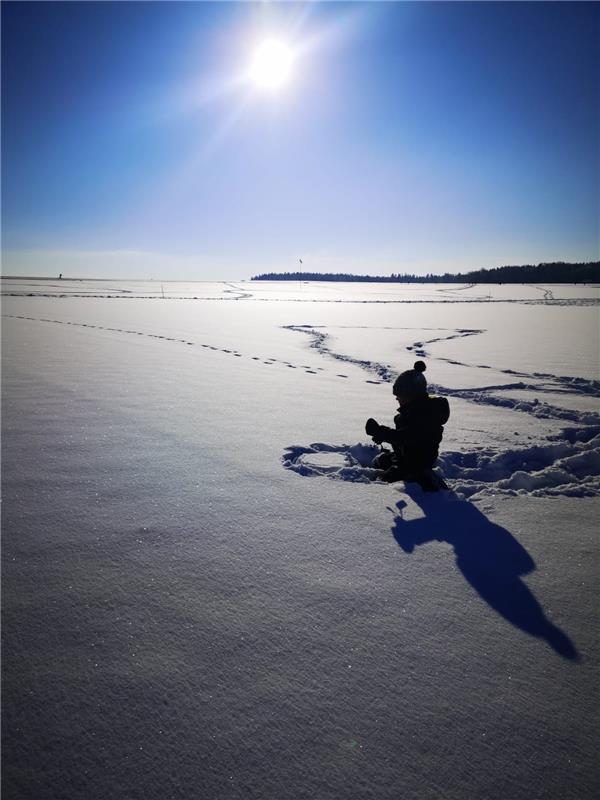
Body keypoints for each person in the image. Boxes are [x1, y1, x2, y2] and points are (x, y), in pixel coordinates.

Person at [365, 360, 450, 490]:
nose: (397, 399)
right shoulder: (417, 410)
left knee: (381, 481)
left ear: (411, 396)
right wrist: (383, 435)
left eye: (400, 395)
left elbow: (405, 437)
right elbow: (406, 437)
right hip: (408, 457)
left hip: (415, 465)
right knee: (381, 461)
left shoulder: (423, 414)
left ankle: (425, 482)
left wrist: (380, 431)